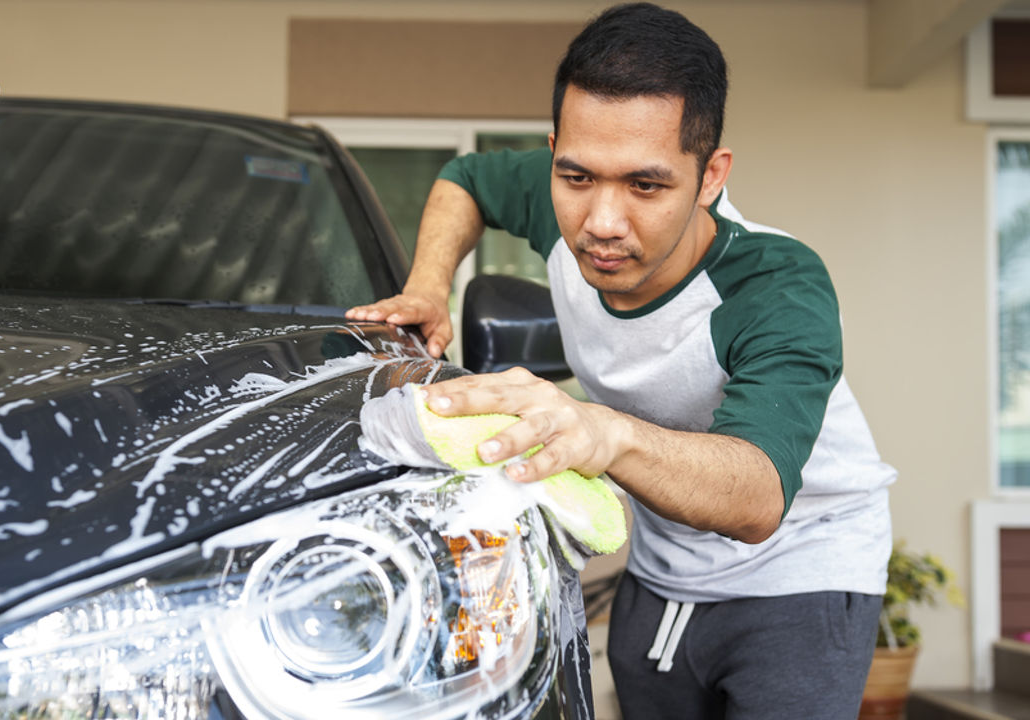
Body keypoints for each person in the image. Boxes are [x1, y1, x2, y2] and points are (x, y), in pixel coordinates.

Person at [346, 3, 896, 718]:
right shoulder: (561, 200)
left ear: (710, 177)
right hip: (663, 563)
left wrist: (606, 431)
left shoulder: (775, 288)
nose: (602, 222)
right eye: (577, 178)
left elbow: (758, 496)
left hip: (802, 570)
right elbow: (466, 178)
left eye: (646, 186)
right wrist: (429, 285)